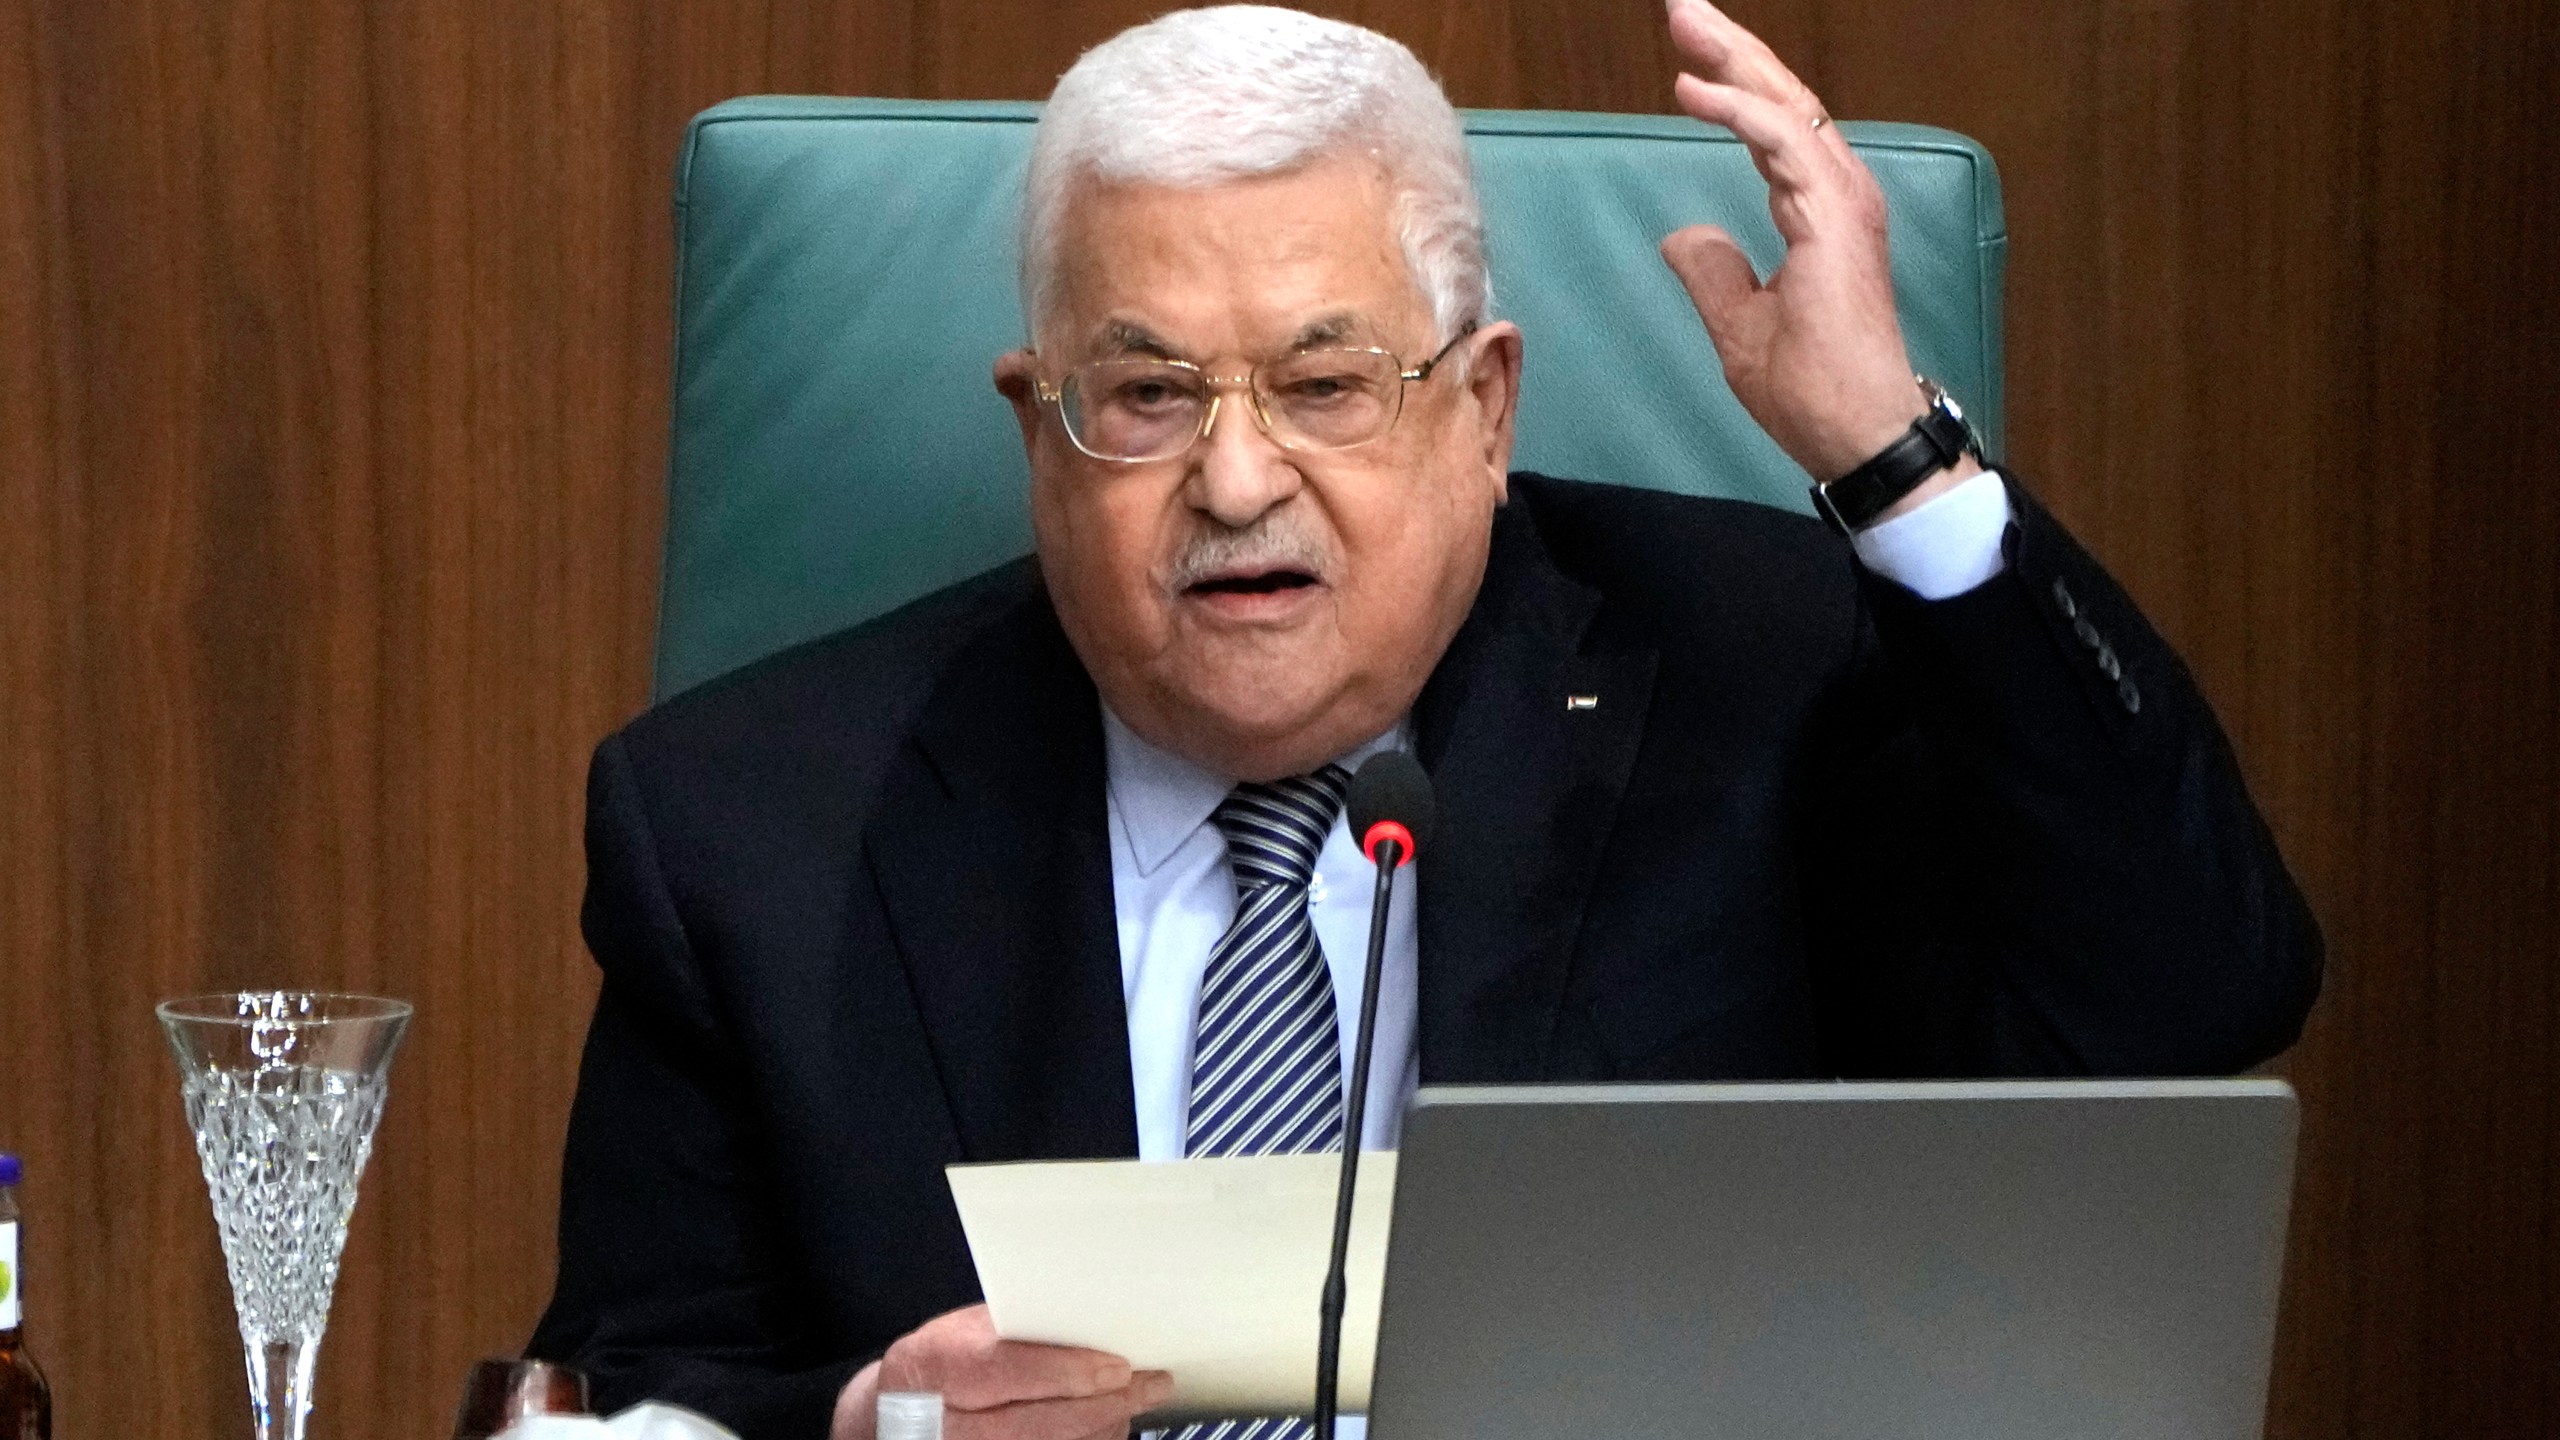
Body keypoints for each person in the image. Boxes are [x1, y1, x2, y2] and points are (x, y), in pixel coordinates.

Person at [527, 5, 2323, 1440]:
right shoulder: (749, 826)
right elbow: (617, 1395)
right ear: (1036, 424)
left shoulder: (1770, 686)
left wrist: (1897, 464)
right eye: (1145, 394)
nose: (1238, 480)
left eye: (1326, 384)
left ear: (1484, 409)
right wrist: (866, 1424)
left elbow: (2185, 1000)